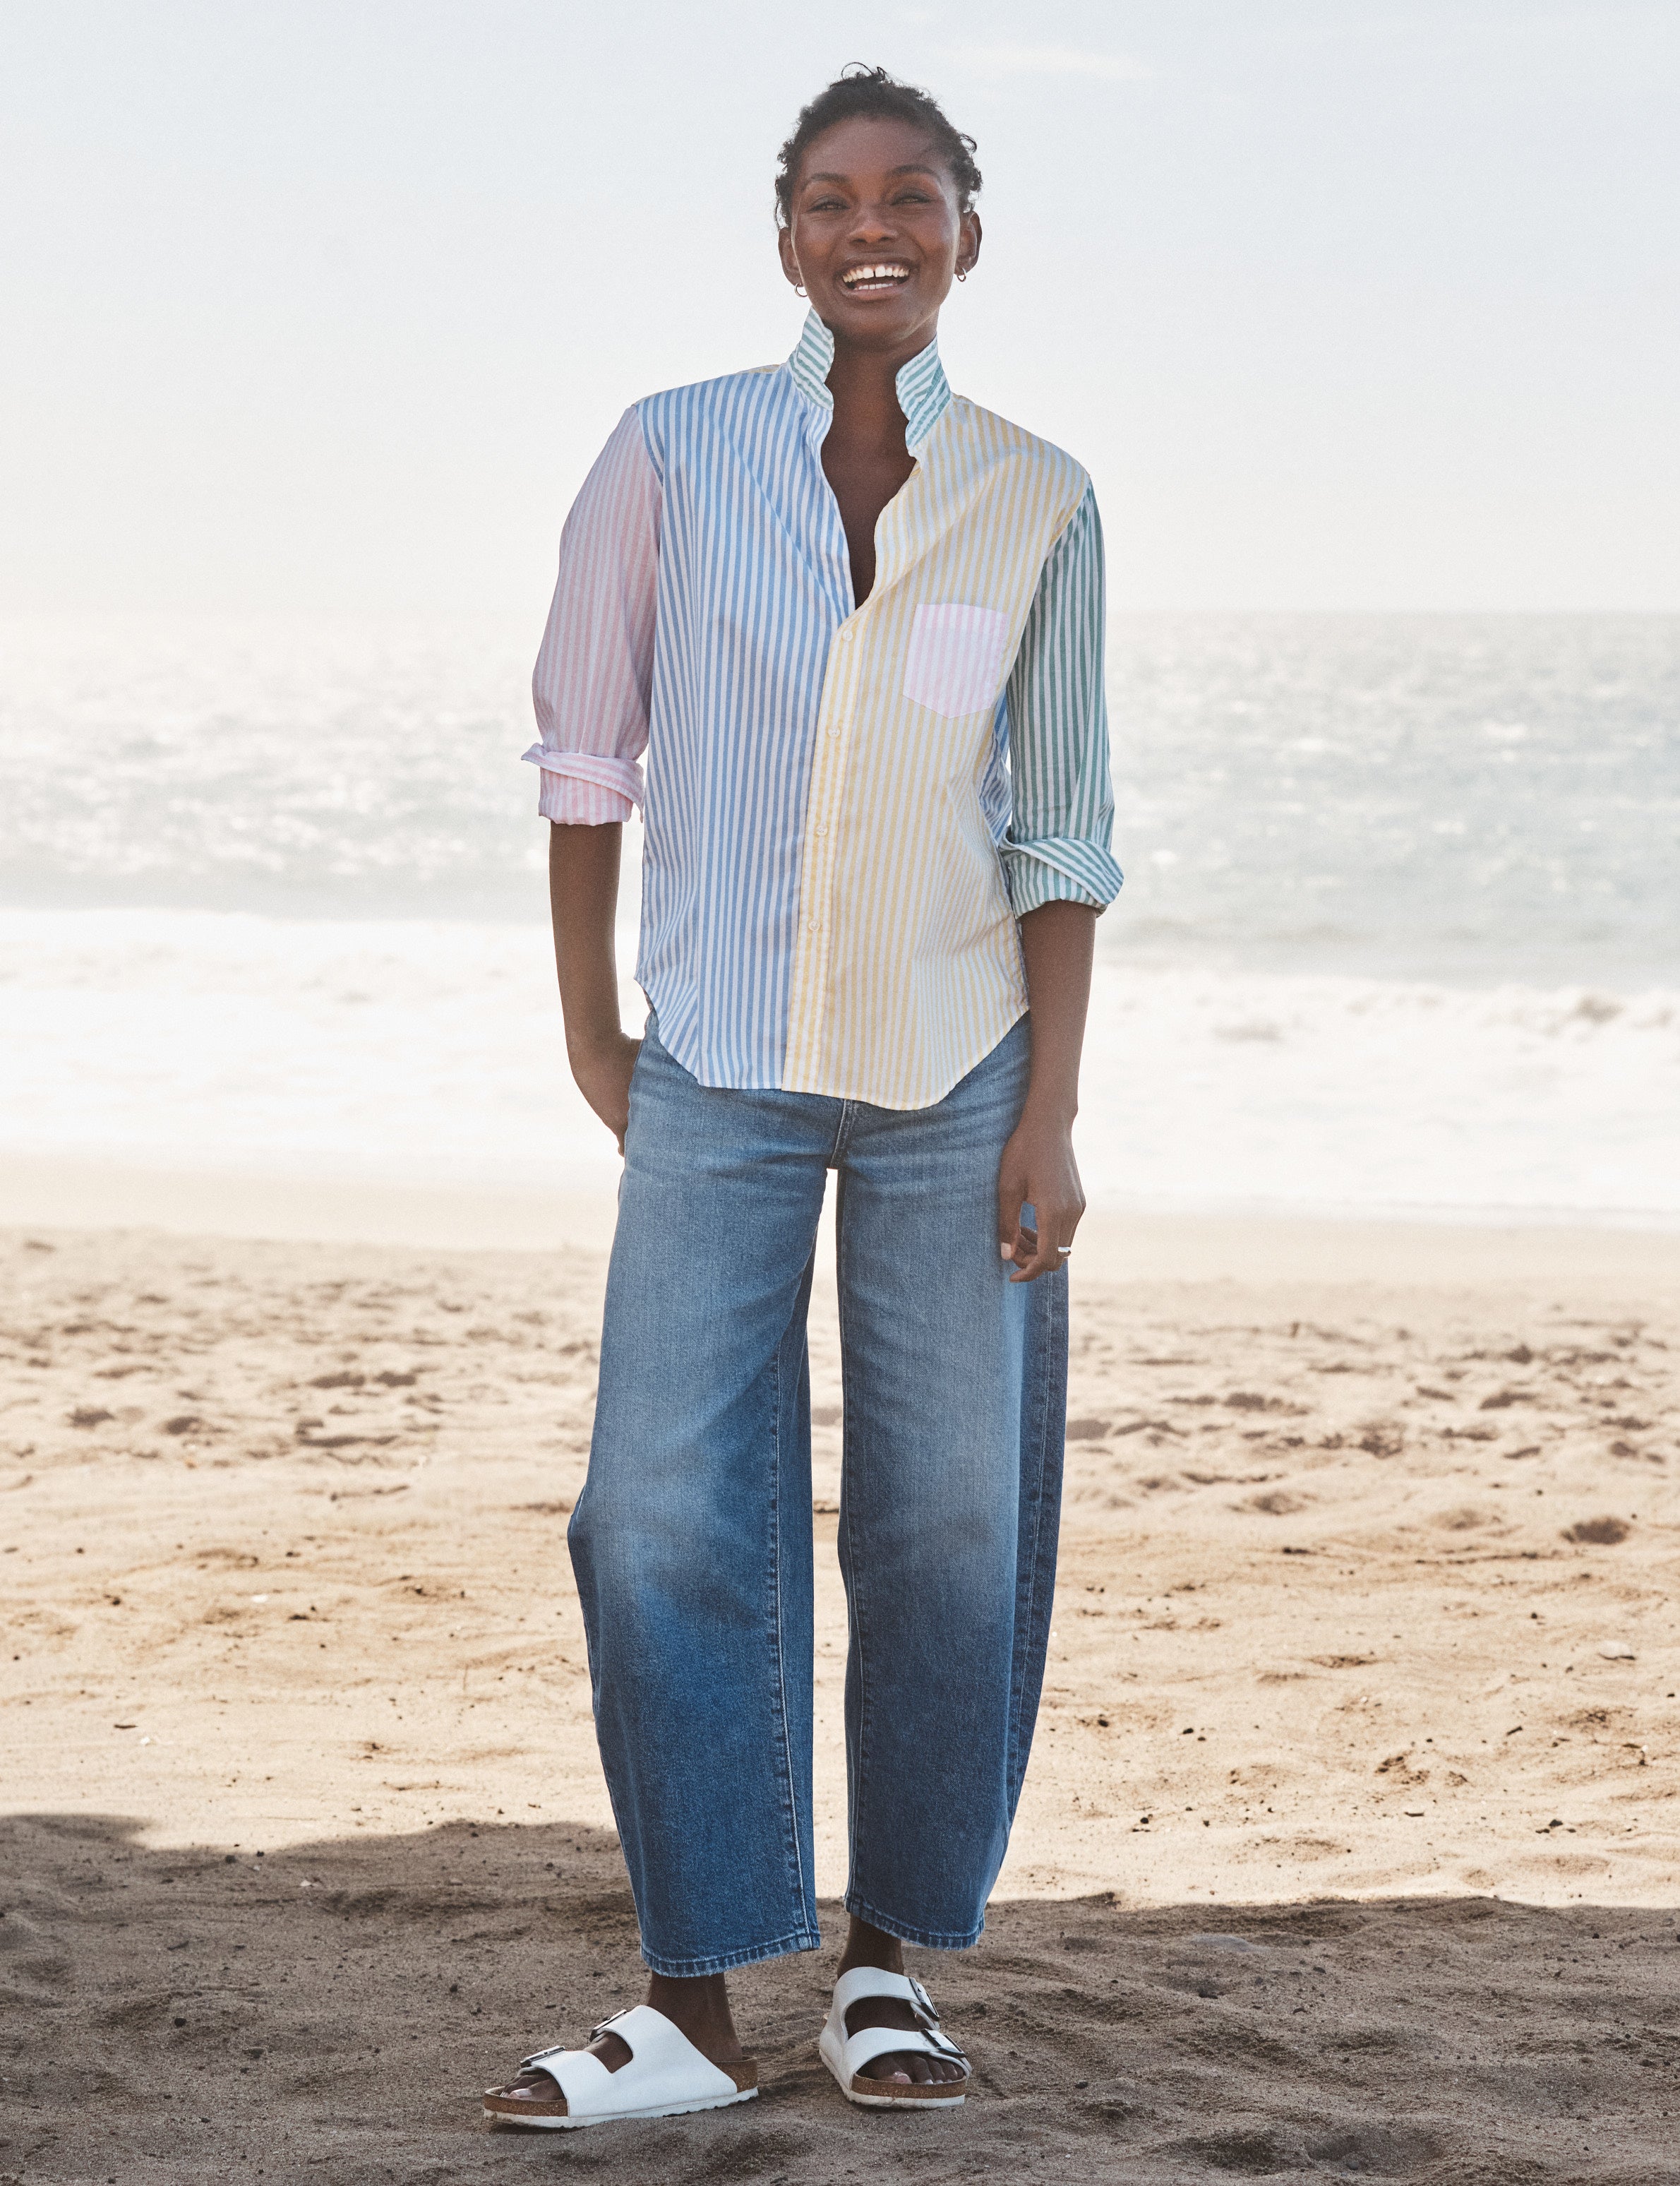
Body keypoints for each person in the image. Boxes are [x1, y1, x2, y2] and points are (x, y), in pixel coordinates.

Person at [483, 64, 1120, 2132]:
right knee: (654, 1513)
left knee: (944, 1523)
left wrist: (1052, 1113)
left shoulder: (1035, 496)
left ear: (963, 233)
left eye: (913, 196)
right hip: (720, 1074)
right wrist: (592, 1032)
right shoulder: (668, 456)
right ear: (785, 239)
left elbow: (1060, 831)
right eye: (835, 198)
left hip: (960, 1084)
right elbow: (588, 761)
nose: (877, 226)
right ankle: (690, 1997)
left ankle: (881, 1971)